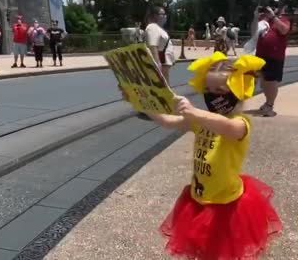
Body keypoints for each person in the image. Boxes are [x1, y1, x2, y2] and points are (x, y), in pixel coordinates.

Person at [119, 52, 282, 259]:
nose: (212, 95)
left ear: (238, 92)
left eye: (220, 90)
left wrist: (194, 112)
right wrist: (140, 103)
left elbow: (227, 126)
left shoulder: (240, 124)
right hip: (198, 198)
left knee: (223, 252)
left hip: (226, 206)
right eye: (207, 90)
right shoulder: (201, 121)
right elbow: (169, 122)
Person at [255, 4, 291, 117]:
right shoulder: (262, 21)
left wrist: (273, 17)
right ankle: (267, 102)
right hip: (260, 56)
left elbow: (284, 30)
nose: (271, 9)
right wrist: (255, 17)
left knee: (271, 82)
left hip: (274, 57)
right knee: (263, 83)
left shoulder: (282, 19)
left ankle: (270, 105)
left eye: (275, 7)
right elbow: (253, 32)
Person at [144, 6, 175, 84]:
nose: (165, 16)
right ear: (155, 15)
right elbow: (153, 45)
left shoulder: (157, 28)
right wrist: (157, 64)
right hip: (162, 63)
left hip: (164, 63)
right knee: (163, 88)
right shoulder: (152, 27)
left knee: (165, 87)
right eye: (163, 14)